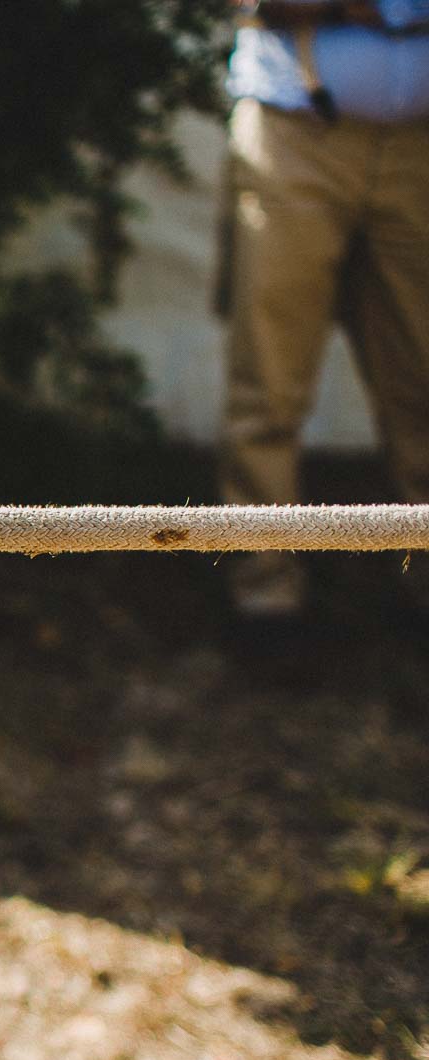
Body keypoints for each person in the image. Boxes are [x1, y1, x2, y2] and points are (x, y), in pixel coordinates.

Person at [220, 0, 429, 620]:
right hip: (296, 134)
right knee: (269, 382)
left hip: (419, 152)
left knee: (420, 379)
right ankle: (264, 593)